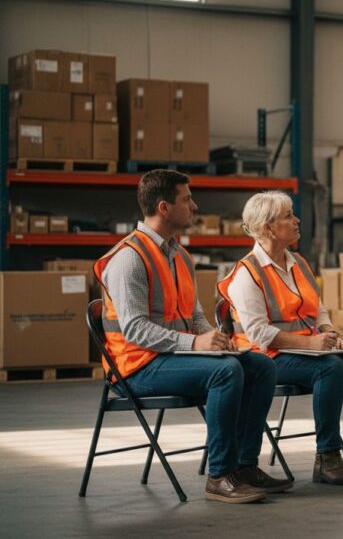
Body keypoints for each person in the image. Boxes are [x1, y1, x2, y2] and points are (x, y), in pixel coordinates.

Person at [94, 169, 289, 503]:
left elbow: (194, 314)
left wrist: (212, 337)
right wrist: (195, 344)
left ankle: (244, 466)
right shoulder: (129, 259)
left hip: (172, 357)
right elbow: (134, 330)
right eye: (187, 199)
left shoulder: (180, 256)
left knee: (260, 366)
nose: (195, 207)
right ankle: (220, 475)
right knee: (226, 372)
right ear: (164, 207)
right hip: (136, 368)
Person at [218, 191, 343, 486]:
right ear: (267, 228)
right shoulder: (247, 274)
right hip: (263, 358)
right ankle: (327, 457)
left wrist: (328, 333)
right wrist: (310, 344)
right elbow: (257, 332)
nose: (297, 220)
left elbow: (318, 309)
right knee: (331, 368)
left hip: (304, 350)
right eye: (288, 216)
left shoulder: (298, 263)